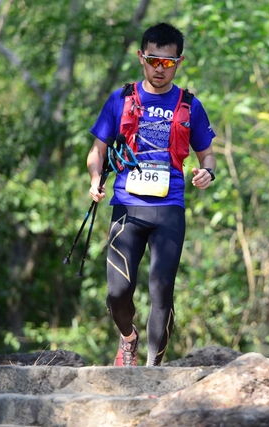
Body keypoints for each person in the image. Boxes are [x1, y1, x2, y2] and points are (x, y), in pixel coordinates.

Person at [86, 22, 216, 367]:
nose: (160, 69)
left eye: (168, 62)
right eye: (153, 60)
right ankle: (128, 338)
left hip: (169, 209)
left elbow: (207, 155)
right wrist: (95, 179)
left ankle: (151, 370)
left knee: (161, 290)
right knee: (117, 292)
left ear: (179, 62)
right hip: (127, 208)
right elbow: (96, 151)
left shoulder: (190, 105)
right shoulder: (120, 99)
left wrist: (208, 172)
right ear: (141, 57)